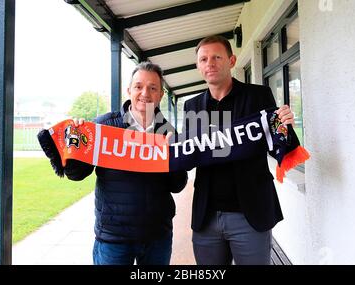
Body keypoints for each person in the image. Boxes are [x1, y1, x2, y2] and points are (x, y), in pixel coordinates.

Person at [182, 35, 297, 265]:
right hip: (207, 218)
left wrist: (285, 127)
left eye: (216, 57)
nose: (210, 63)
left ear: (232, 61)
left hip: (250, 214)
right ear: (198, 66)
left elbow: (281, 146)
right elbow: (189, 153)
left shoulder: (258, 96)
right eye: (203, 59)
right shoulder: (192, 106)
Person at [65, 62, 188, 265]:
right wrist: (75, 142)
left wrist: (171, 159)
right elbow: (76, 174)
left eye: (153, 88)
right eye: (139, 86)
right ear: (129, 90)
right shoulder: (104, 125)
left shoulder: (169, 132)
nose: (145, 93)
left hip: (157, 237)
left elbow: (178, 184)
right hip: (114, 238)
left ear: (160, 95)